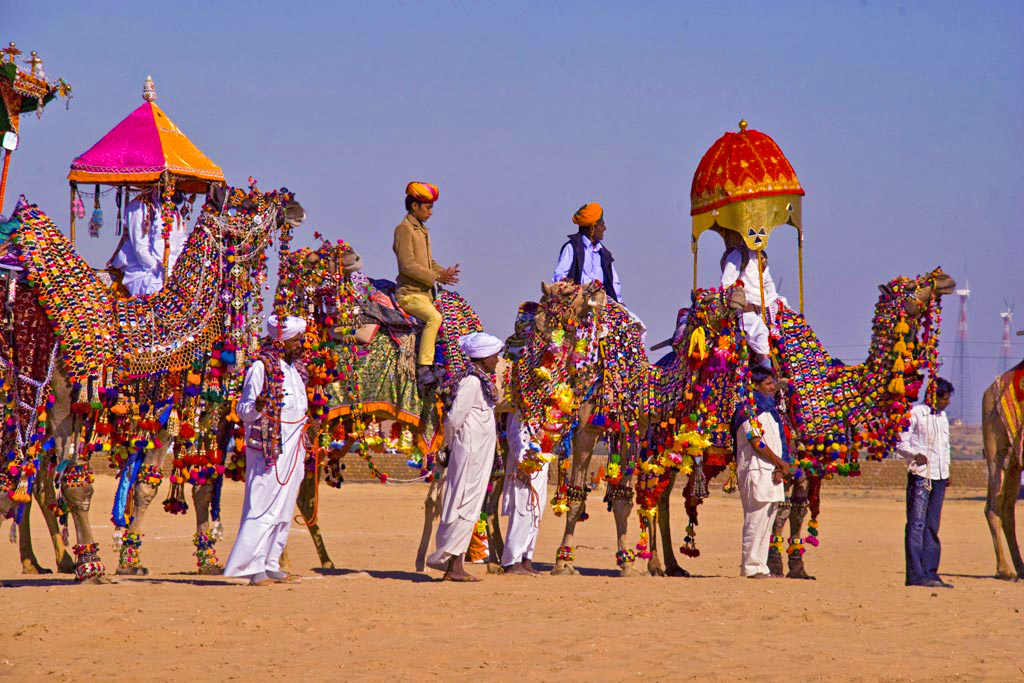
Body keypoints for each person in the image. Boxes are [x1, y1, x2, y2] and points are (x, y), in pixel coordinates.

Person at [223, 315, 312, 586]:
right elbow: (244, 411)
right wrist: (259, 406)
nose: (302, 344)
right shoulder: (260, 368)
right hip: (269, 449)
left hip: (294, 448)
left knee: (284, 508)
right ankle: (252, 567)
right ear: (282, 341)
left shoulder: (296, 369)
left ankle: (272, 563)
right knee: (262, 506)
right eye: (297, 339)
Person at [426, 331, 503, 581]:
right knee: (463, 503)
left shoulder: (479, 380)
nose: (497, 361)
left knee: (468, 503)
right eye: (494, 356)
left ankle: (453, 563)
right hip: (470, 451)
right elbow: (454, 418)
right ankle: (453, 565)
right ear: (482, 358)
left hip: (477, 452)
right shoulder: (471, 382)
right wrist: (447, 446)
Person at [392, 182, 461, 386]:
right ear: (415, 206)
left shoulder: (422, 231)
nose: (431, 212)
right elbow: (407, 265)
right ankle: (424, 366)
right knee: (434, 317)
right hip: (410, 294)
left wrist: (443, 272)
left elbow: (429, 262)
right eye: (428, 207)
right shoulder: (403, 229)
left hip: (427, 294)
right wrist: (436, 278)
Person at [733, 366, 790, 578]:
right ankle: (749, 565)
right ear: (755, 386)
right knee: (755, 520)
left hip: (772, 474)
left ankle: (761, 566)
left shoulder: (772, 413)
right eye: (767, 383)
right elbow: (757, 443)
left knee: (767, 521)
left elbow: (776, 442)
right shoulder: (748, 410)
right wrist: (781, 463)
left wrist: (780, 467)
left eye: (773, 382)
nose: (773, 387)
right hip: (755, 471)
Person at [897, 377, 954, 589]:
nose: (947, 402)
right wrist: (914, 454)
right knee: (916, 524)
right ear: (933, 396)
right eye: (944, 398)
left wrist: (947, 470)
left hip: (939, 476)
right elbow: (901, 442)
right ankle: (915, 575)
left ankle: (931, 573)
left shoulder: (943, 417)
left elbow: (945, 446)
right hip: (921, 475)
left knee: (932, 526)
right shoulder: (915, 414)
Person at [719, 230, 786, 368]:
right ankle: (768, 372)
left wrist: (775, 303)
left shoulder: (761, 257)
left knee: (789, 324)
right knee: (760, 332)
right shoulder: (737, 255)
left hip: (764, 306)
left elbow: (767, 283)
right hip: (744, 308)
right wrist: (739, 301)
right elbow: (726, 283)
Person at [109, 187, 188, 298]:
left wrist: (175, 272)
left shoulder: (174, 212)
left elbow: (181, 244)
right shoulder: (139, 206)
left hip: (171, 272)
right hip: (141, 272)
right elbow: (140, 249)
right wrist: (161, 271)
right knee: (162, 295)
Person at [500, 410, 548, 575]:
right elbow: (515, 437)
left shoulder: (545, 408)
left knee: (537, 510)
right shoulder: (521, 407)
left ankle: (527, 557)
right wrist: (522, 463)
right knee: (523, 510)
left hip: (541, 461)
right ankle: (512, 560)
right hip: (525, 463)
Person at [552, 203, 622, 303]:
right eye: (602, 225)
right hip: (577, 303)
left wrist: (619, 302)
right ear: (592, 228)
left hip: (603, 303)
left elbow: (614, 283)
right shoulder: (572, 247)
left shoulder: (604, 255)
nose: (604, 229)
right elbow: (559, 275)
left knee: (633, 318)